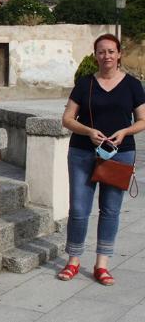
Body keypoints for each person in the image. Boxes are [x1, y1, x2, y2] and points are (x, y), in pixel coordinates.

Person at [58, 33, 145, 285]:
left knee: (110, 210)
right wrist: (88, 131)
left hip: (120, 153)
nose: (106, 56)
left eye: (110, 51)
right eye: (101, 51)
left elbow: (142, 120)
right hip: (82, 152)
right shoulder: (85, 84)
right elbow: (67, 119)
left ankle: (102, 265)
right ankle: (73, 260)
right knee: (78, 210)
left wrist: (125, 132)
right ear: (95, 55)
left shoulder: (132, 85)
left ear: (119, 55)